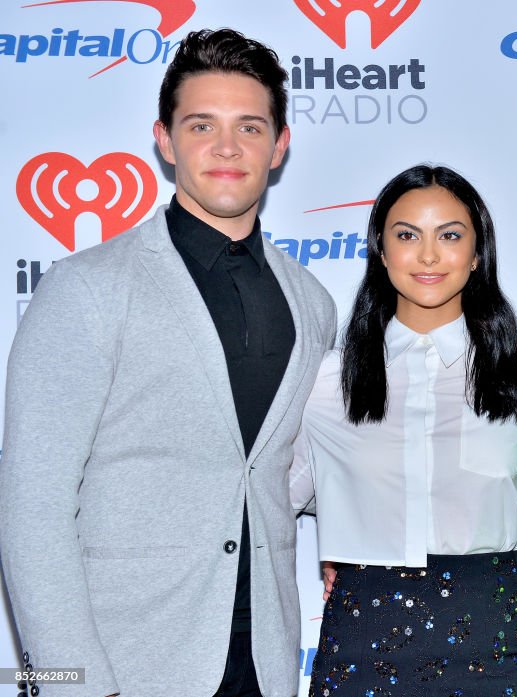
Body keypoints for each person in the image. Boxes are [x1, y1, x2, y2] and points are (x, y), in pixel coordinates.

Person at [0, 29, 337, 697]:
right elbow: (31, 505)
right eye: (201, 124)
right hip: (124, 668)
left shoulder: (313, 302)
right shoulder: (89, 288)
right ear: (164, 139)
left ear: (280, 145)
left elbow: (288, 473)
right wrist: (70, 683)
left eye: (250, 126)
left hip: (264, 666)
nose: (226, 146)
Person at [289, 165, 517, 697]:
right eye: (406, 235)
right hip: (360, 637)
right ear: (380, 250)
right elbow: (272, 499)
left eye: (449, 235)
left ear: (476, 252)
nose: (427, 255)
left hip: (492, 637)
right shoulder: (327, 378)